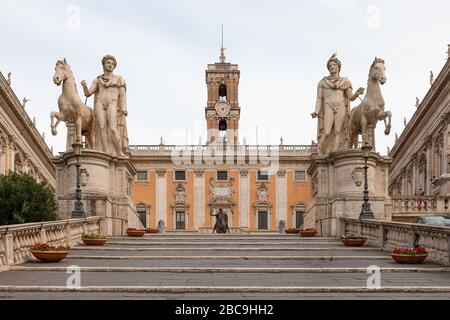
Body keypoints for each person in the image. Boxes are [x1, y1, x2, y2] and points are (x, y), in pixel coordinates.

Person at [311, 54, 365, 154]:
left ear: (338, 67)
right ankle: (321, 152)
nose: (332, 67)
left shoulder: (345, 81)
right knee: (326, 132)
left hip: (340, 106)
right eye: (330, 65)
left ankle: (335, 154)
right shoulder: (322, 82)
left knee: (338, 132)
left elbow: (350, 97)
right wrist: (316, 111)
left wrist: (357, 93)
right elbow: (319, 98)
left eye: (334, 65)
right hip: (328, 106)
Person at [81, 55, 128, 156]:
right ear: (103, 64)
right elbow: (88, 93)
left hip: (112, 103)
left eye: (112, 64)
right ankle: (105, 152)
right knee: (101, 127)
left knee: (112, 128)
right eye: (108, 63)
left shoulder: (119, 79)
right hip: (100, 103)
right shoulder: (98, 80)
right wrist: (84, 86)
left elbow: (122, 95)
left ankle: (119, 151)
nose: (110, 65)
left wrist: (124, 108)